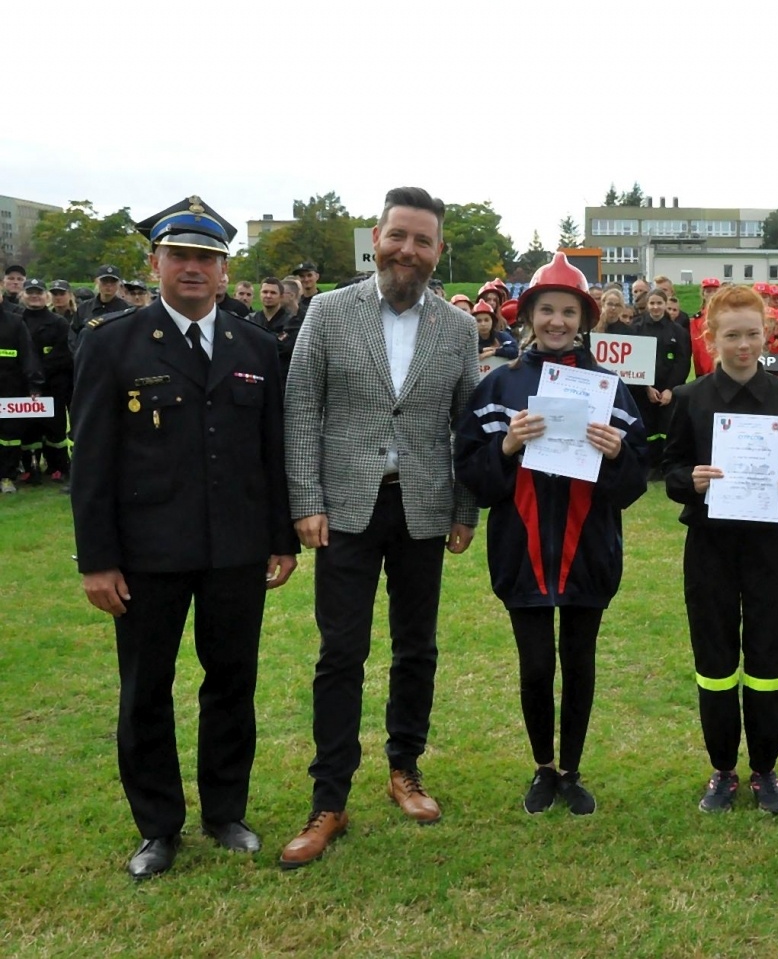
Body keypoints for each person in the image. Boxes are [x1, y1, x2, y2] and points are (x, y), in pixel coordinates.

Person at [70, 196, 297, 878]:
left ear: (225, 271)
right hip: (147, 555)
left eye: (207, 257)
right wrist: (97, 561)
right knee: (146, 690)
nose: (193, 268)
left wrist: (280, 537)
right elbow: (91, 461)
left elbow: (271, 450)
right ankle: (157, 827)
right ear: (155, 264)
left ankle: (225, 811)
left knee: (231, 683)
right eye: (180, 256)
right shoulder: (111, 342)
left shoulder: (256, 346)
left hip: (235, 549)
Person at [279, 187, 481, 869]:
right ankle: (329, 798)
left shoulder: (458, 328)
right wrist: (305, 498)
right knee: (341, 653)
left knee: (416, 648)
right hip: (345, 509)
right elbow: (301, 409)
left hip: (422, 506)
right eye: (399, 236)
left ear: (437, 251)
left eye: (423, 241)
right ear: (376, 238)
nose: (408, 250)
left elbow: (466, 425)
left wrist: (464, 509)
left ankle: (405, 768)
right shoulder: (328, 311)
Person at [455, 253, 649, 817]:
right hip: (522, 550)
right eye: (546, 310)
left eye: (568, 311)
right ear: (528, 316)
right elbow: (473, 474)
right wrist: (506, 446)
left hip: (589, 549)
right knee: (537, 665)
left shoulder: (607, 387)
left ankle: (572, 770)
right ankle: (543, 766)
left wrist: (617, 454)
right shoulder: (500, 384)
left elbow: (635, 479)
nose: (557, 321)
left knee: (580, 663)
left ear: (584, 319)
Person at [661, 284, 778, 813]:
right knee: (715, 657)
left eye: (752, 334)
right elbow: (670, 468)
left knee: (770, 656)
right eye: (732, 336)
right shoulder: (690, 398)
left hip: (768, 547)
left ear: (766, 333)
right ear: (711, 338)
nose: (743, 345)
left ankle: (765, 768)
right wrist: (691, 479)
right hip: (710, 546)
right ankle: (723, 768)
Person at [17, 277, 73, 486]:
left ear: (46, 296)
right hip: (24, 385)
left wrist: (38, 374)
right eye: (30, 292)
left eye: (38, 292)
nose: (34, 296)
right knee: (27, 428)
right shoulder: (16, 320)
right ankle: (30, 468)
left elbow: (63, 355)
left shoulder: (59, 323)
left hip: (53, 385)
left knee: (54, 428)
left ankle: (58, 466)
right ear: (23, 295)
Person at [631, 287, 691, 474]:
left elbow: (682, 362)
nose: (655, 307)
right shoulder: (636, 328)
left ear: (665, 304)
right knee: (648, 429)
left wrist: (670, 389)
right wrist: (646, 387)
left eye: (659, 303)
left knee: (668, 429)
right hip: (644, 390)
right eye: (652, 303)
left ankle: (666, 467)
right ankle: (650, 467)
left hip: (668, 391)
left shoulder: (678, 332)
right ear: (647, 305)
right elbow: (633, 359)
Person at [0, 291, 43, 493]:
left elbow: (28, 355)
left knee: (9, 435)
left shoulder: (15, 322)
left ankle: (7, 476)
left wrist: (34, 384)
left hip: (10, 388)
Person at [72, 265, 131, 352]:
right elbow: (73, 335)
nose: (108, 285)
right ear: (96, 281)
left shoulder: (127, 310)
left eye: (113, 282)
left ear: (119, 284)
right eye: (104, 281)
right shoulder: (84, 308)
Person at [249, 276, 300, 376]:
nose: (268, 296)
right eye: (265, 292)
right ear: (260, 294)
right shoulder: (250, 319)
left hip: (281, 376)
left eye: (273, 293)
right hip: (255, 374)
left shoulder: (292, 322)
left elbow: (284, 347)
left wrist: (256, 338)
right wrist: (274, 337)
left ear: (281, 296)